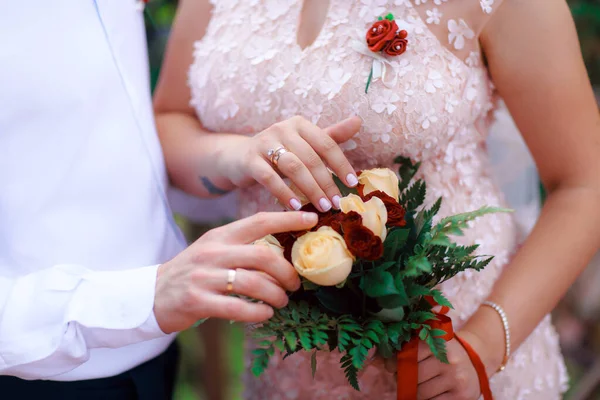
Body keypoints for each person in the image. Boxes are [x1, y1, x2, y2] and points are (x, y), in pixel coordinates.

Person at [153, 0, 600, 398]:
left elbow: (585, 183)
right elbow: (171, 117)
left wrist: (482, 344)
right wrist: (237, 155)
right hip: (288, 358)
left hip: (447, 353)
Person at [0, 2, 324, 399]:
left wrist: (232, 157)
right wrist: (142, 298)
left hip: (155, 356)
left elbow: (104, 138)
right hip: (34, 375)